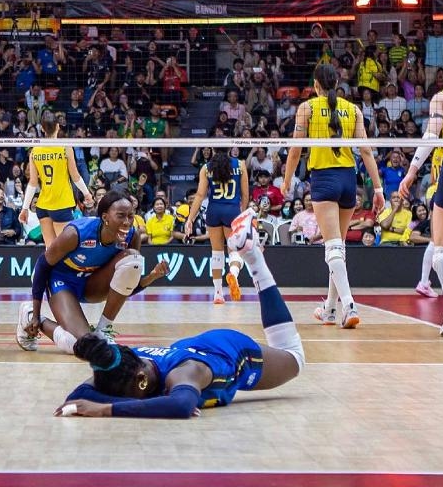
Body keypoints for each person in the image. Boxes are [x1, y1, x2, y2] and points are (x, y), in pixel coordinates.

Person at [56, 209, 305, 419]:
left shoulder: (185, 373)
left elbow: (180, 406)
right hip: (189, 346)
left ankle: (253, 258)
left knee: (295, 358)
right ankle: (248, 252)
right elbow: (78, 398)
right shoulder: (121, 361)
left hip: (232, 351)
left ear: (142, 380)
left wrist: (106, 409)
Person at [283, 64, 384, 329]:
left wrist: (286, 181)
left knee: (332, 247)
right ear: (337, 82)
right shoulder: (353, 109)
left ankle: (349, 305)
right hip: (348, 181)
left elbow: (295, 151)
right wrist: (378, 189)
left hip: (324, 180)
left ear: (315, 84)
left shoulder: (308, 108)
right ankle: (329, 308)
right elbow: (366, 151)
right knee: (337, 247)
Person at [16, 190, 168, 353]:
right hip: (61, 281)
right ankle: (28, 314)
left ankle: (103, 330)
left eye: (131, 216)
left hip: (91, 284)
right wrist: (37, 314)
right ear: (105, 218)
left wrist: (151, 277)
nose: (127, 222)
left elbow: (124, 289)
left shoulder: (133, 237)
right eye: (121, 216)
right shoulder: (77, 233)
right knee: (80, 346)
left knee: (133, 259)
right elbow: (42, 265)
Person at [400, 89, 443, 318]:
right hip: (436, 188)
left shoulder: (441, 99)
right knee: (437, 245)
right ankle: (424, 280)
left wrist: (411, 171)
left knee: (439, 248)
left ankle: (425, 281)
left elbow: (430, 135)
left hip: (440, 186)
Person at [185, 149, 250, 304]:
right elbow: (245, 194)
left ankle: (218, 294)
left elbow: (200, 195)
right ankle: (233, 273)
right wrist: (241, 214)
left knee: (216, 253)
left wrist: (190, 219)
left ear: (213, 150)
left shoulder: (206, 168)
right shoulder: (240, 165)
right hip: (232, 210)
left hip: (213, 211)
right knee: (235, 251)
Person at [20, 112, 93, 245]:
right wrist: (87, 194)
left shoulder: (35, 150)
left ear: (42, 128)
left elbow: (32, 182)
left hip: (43, 205)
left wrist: (25, 208)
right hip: (61, 204)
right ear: (58, 126)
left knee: (51, 250)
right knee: (66, 249)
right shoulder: (65, 147)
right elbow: (75, 176)